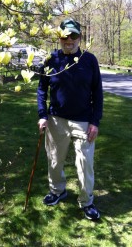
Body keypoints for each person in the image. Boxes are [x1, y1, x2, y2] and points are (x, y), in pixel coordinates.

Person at [37, 18, 103, 220]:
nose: (69, 40)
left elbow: (97, 92)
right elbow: (41, 89)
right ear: (60, 37)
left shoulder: (89, 60)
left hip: (83, 121)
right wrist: (42, 115)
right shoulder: (51, 60)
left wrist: (95, 122)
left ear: (79, 38)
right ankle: (57, 191)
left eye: (74, 35)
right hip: (56, 119)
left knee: (85, 163)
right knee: (55, 160)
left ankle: (86, 201)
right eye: (65, 35)